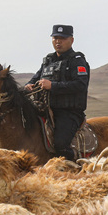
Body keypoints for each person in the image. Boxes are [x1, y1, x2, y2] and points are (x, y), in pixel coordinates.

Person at [24, 24, 90, 161]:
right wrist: (28, 86)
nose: (58, 41)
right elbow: (36, 77)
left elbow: (80, 85)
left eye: (62, 38)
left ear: (71, 40)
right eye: (55, 38)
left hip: (68, 112)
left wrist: (52, 86)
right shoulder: (48, 60)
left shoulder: (77, 61)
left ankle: (74, 165)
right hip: (45, 109)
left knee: (60, 144)